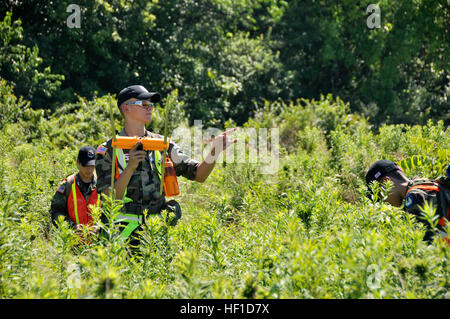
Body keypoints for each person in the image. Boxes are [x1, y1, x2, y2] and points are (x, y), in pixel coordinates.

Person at [95, 85, 237, 246]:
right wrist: (130, 167)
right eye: (144, 104)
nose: (150, 108)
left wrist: (214, 151)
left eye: (151, 105)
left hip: (154, 235)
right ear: (126, 108)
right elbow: (109, 199)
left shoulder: (162, 144)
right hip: (120, 237)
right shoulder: (107, 150)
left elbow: (198, 174)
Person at [365, 160, 449, 244]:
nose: (383, 202)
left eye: (380, 195)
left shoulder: (414, 197)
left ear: (387, 182)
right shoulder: (428, 183)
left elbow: (425, 247)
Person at [50, 146, 100, 242]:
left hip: (97, 246)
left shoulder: (101, 184)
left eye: (92, 166)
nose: (89, 170)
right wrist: (72, 226)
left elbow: (109, 213)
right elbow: (56, 212)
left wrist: (99, 227)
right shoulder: (68, 185)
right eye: (86, 166)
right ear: (78, 162)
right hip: (72, 245)